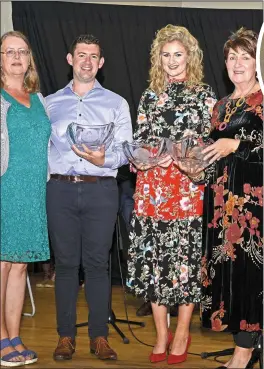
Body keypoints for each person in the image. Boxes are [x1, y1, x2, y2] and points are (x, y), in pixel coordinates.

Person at [127, 24, 217, 365]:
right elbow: (138, 143)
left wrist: (186, 157)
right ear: (158, 59)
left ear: (190, 56)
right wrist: (146, 157)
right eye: (166, 55)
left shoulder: (206, 96)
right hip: (151, 191)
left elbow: (208, 149)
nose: (172, 61)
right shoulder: (150, 96)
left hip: (187, 192)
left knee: (185, 264)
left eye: (178, 54)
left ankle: (181, 332)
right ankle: (161, 334)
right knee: (155, 264)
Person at [46, 34, 132, 362]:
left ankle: (99, 337)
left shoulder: (116, 103)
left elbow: (125, 150)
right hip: (61, 189)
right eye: (81, 55)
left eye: (93, 56)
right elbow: (42, 151)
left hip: (101, 189)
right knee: (66, 265)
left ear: (101, 62)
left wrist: (104, 160)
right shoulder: (49, 104)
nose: (86, 61)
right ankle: (65, 337)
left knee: (98, 265)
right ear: (70, 59)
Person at [193, 28, 262, 369]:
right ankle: (244, 348)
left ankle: (244, 354)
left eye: (245, 57)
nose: (237, 64)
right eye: (232, 57)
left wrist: (237, 145)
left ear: (257, 61)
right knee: (231, 276)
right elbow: (211, 153)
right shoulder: (220, 106)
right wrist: (195, 166)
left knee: (251, 278)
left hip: (254, 208)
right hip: (221, 205)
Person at [0, 31, 50, 367]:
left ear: (30, 58)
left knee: (20, 267)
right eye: (9, 52)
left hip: (33, 192)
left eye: (23, 51)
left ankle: (14, 336)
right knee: (2, 265)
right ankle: (1, 339)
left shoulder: (40, 99)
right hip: (5, 188)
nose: (17, 57)